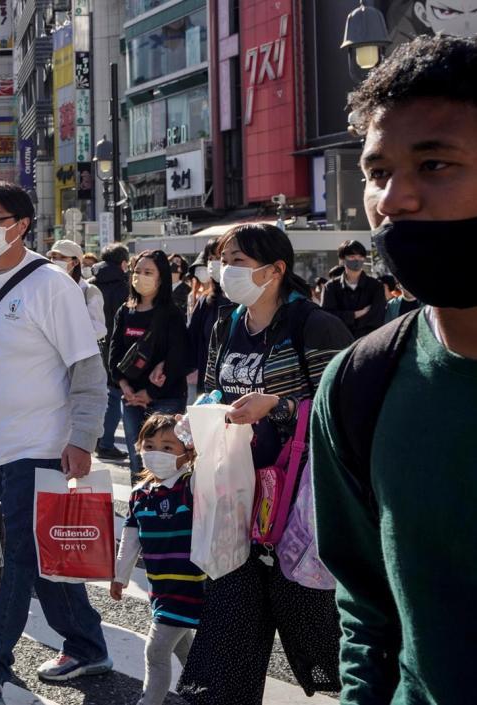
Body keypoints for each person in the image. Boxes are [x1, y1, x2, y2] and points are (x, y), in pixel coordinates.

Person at [312, 35, 477, 705]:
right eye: (377, 172)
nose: (395, 198)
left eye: (435, 164)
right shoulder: (360, 383)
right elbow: (366, 607)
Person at [176, 222, 350, 704]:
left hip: (298, 507)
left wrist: (277, 404)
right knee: (230, 621)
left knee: (316, 622)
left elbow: (343, 408)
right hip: (236, 496)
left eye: (238, 262)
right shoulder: (224, 323)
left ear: (276, 270)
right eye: (223, 259)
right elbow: (214, 388)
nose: (224, 270)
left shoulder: (314, 325)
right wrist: (197, 417)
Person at [0, 181, 110, 701]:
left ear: (20, 224)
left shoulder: (50, 284)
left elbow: (87, 370)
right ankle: (87, 646)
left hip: (39, 444)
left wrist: (82, 438)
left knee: (10, 555)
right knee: (43, 556)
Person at [111, 414, 203, 705]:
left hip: (189, 586)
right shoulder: (139, 495)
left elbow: (215, 469)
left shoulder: (190, 485)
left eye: (167, 447)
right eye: (149, 445)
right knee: (184, 647)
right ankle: (203, 692)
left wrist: (198, 432)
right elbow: (131, 537)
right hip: (160, 587)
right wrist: (119, 576)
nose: (156, 454)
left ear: (187, 451)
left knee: (156, 651)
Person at [107, 250, 189, 479]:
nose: (140, 276)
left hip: (166, 399)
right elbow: (113, 355)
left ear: (160, 278)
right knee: (138, 463)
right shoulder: (125, 311)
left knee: (165, 465)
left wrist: (150, 393)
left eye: (148, 272)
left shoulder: (171, 314)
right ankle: (140, 507)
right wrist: (125, 388)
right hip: (131, 399)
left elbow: (178, 358)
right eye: (137, 271)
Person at [92, 244, 131, 461]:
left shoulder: (91, 283)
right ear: (123, 263)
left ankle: (97, 440)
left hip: (93, 347)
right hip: (117, 348)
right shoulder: (124, 287)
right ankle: (106, 442)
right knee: (114, 396)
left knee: (96, 397)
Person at [187, 240, 230, 395]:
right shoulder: (206, 301)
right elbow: (192, 340)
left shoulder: (249, 302)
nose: (213, 263)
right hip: (208, 388)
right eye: (210, 258)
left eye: (219, 257)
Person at [321, 239, 385, 339]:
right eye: (352, 256)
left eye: (360, 256)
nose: (357, 260)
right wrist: (355, 314)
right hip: (339, 341)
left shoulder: (376, 286)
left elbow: (377, 317)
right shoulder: (331, 287)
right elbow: (327, 316)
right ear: (342, 259)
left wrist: (345, 318)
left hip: (368, 341)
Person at [48, 239, 107, 339]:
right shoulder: (47, 288)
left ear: (75, 262)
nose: (55, 261)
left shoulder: (89, 291)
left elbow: (99, 329)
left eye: (62, 257)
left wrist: (65, 333)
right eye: (53, 257)